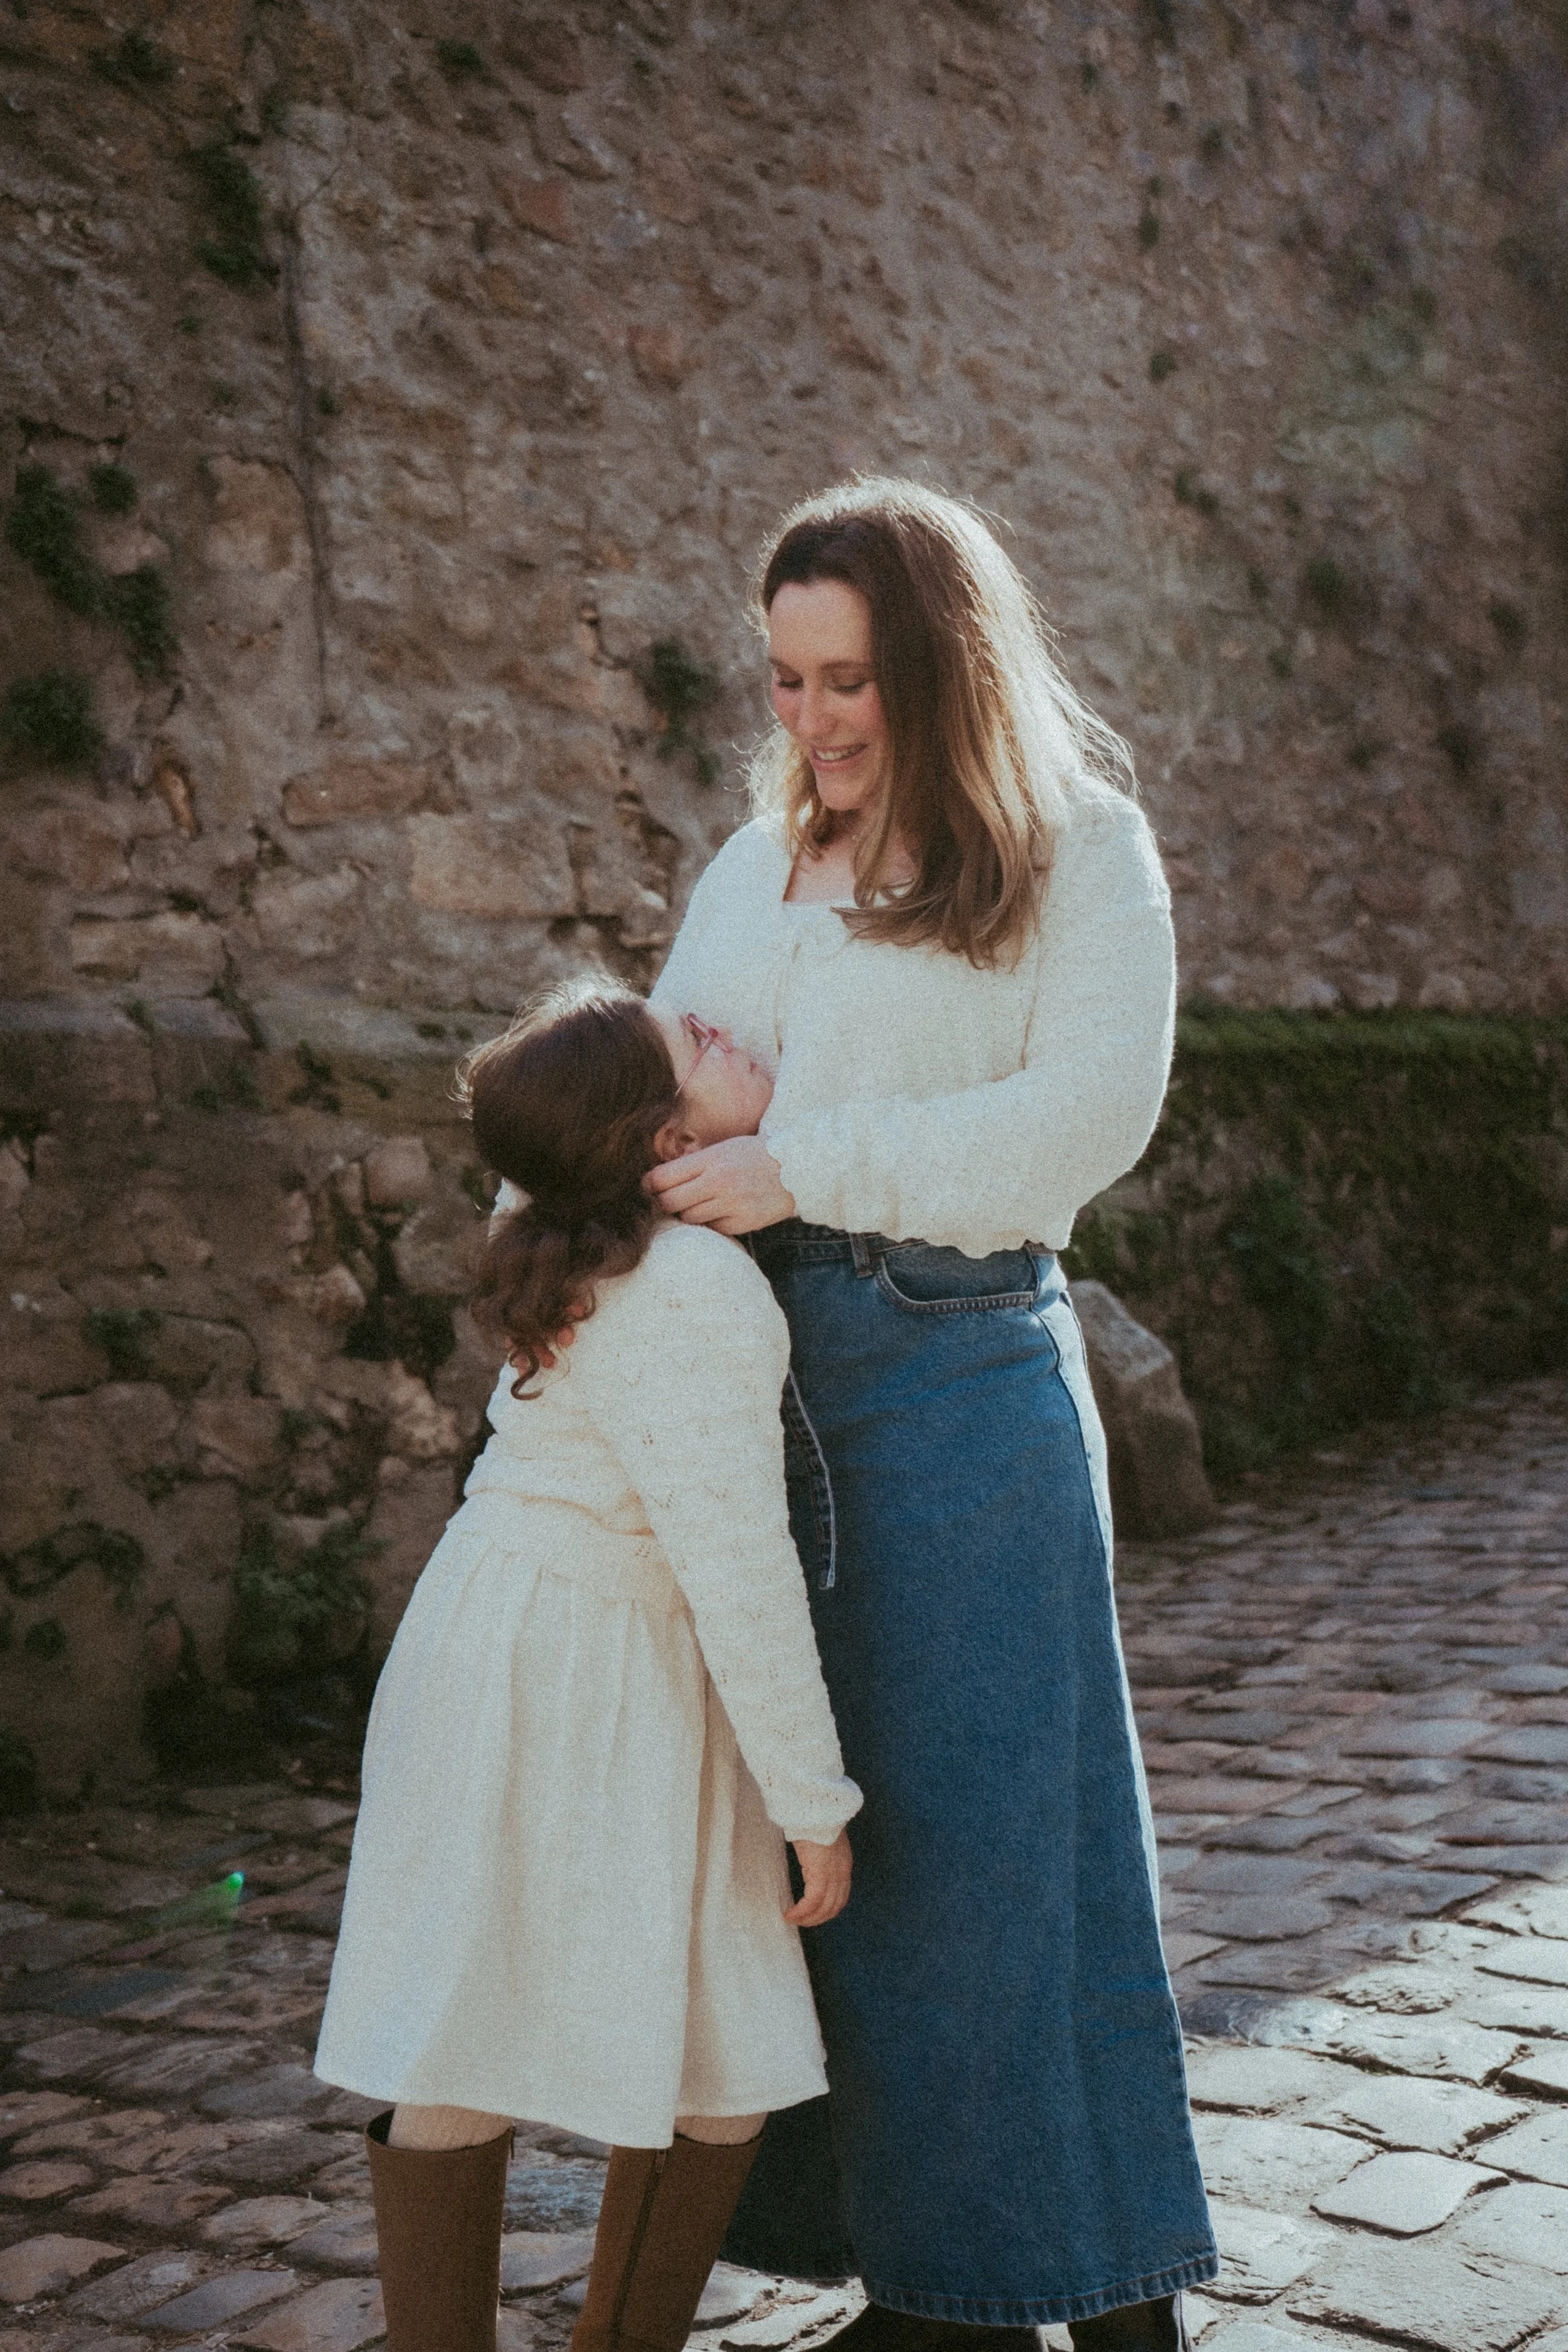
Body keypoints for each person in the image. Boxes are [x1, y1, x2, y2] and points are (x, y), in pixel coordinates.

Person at [639, 479, 1218, 2349]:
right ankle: (948, 2279)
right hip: (754, 1405)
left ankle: (992, 2304)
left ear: (944, 669)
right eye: (786, 679)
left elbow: (1083, 1123)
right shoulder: (750, 870)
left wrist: (806, 1160)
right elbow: (649, 1093)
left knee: (997, 1874)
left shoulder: (1079, 847)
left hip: (961, 1383)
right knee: (833, 1872)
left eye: (849, 681)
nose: (809, 721)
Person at [314, 982, 862, 2352]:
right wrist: (812, 1803)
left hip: (480, 1629)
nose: (735, 1033)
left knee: (462, 2014)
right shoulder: (691, 1288)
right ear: (660, 1140)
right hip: (584, 1659)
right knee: (717, 2051)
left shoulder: (564, 1239)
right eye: (703, 1050)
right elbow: (736, 1567)